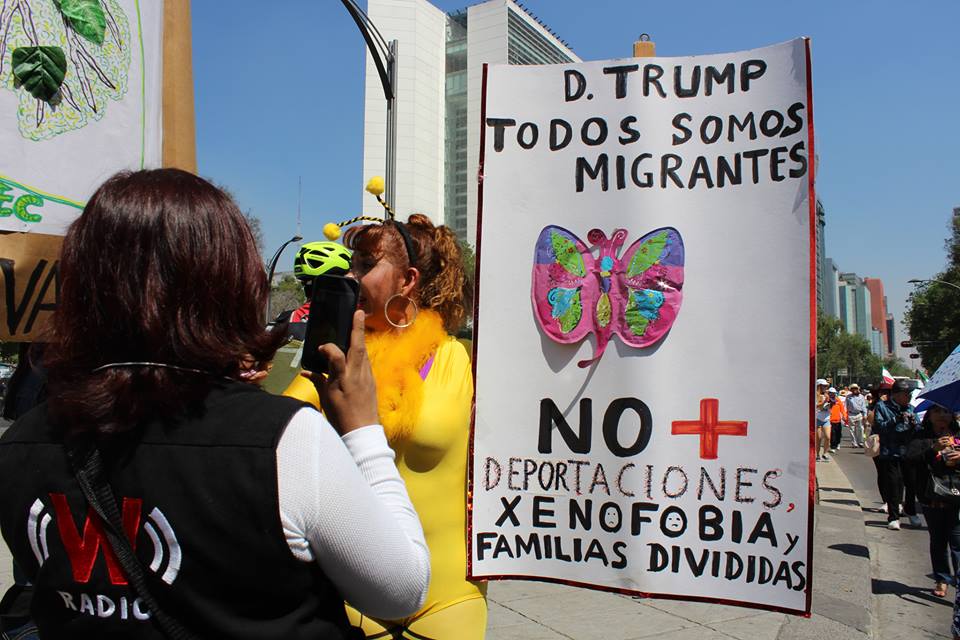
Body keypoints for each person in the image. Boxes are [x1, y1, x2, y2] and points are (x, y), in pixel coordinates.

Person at [0, 169, 430, 639]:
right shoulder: (285, 441)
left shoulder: (21, 442)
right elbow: (401, 589)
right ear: (228, 282)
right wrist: (363, 430)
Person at [285, 194, 483, 638]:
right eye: (350, 264)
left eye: (365, 265)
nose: (349, 276)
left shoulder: (458, 360)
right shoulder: (335, 359)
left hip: (450, 597)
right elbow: (278, 431)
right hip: (351, 595)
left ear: (407, 280)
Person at [906, 403, 960, 598]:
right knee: (938, 540)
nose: (942, 415)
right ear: (929, 416)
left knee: (957, 541)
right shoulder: (921, 436)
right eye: (937, 411)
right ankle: (941, 578)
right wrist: (933, 449)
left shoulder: (958, 435)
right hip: (932, 496)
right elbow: (910, 459)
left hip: (957, 495)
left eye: (946, 411)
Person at [873, 378, 921, 529]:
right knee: (894, 484)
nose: (909, 397)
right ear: (896, 394)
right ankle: (893, 517)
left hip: (908, 452)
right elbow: (879, 427)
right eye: (907, 394)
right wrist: (895, 419)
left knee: (911, 484)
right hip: (890, 452)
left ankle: (911, 511)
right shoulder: (882, 406)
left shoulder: (911, 408)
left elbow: (919, 428)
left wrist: (914, 424)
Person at [845, 383, 868, 448]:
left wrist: (865, 414)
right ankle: (854, 443)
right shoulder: (848, 397)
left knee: (860, 428)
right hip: (851, 414)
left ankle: (860, 442)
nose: (854, 390)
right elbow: (846, 406)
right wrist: (845, 415)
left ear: (858, 389)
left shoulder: (861, 397)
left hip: (859, 414)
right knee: (852, 429)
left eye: (855, 388)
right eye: (853, 389)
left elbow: (863, 406)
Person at [815, 379, 832, 461]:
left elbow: (832, 404)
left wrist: (830, 403)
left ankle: (825, 453)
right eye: (824, 386)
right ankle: (817, 454)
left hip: (826, 418)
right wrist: (824, 401)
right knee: (818, 438)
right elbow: (817, 406)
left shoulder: (827, 395)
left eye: (826, 386)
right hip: (817, 418)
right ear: (819, 386)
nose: (825, 387)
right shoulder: (815, 395)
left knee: (828, 437)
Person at [828, 387, 848, 453]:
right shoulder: (827, 400)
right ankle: (833, 447)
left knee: (838, 433)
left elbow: (842, 409)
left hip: (838, 420)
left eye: (834, 393)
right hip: (830, 420)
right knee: (832, 434)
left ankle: (838, 443)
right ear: (829, 393)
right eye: (831, 393)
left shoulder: (837, 400)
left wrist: (844, 416)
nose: (832, 394)